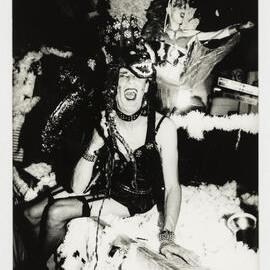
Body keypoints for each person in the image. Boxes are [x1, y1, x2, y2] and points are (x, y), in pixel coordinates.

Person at [19, 29, 200, 269]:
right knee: (29, 214)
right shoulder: (105, 118)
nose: (130, 82)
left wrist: (167, 237)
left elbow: (172, 187)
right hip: (99, 185)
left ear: (147, 87)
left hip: (131, 199)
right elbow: (77, 186)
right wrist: (96, 142)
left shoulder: (163, 127)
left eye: (139, 78)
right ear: (115, 83)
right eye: (125, 75)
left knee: (55, 213)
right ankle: (46, 261)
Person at [142, 0, 254, 114]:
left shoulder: (189, 34)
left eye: (185, 7)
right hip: (155, 86)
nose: (183, 10)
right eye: (179, 7)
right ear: (168, 9)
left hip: (176, 89)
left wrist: (239, 27)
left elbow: (218, 34)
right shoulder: (156, 34)